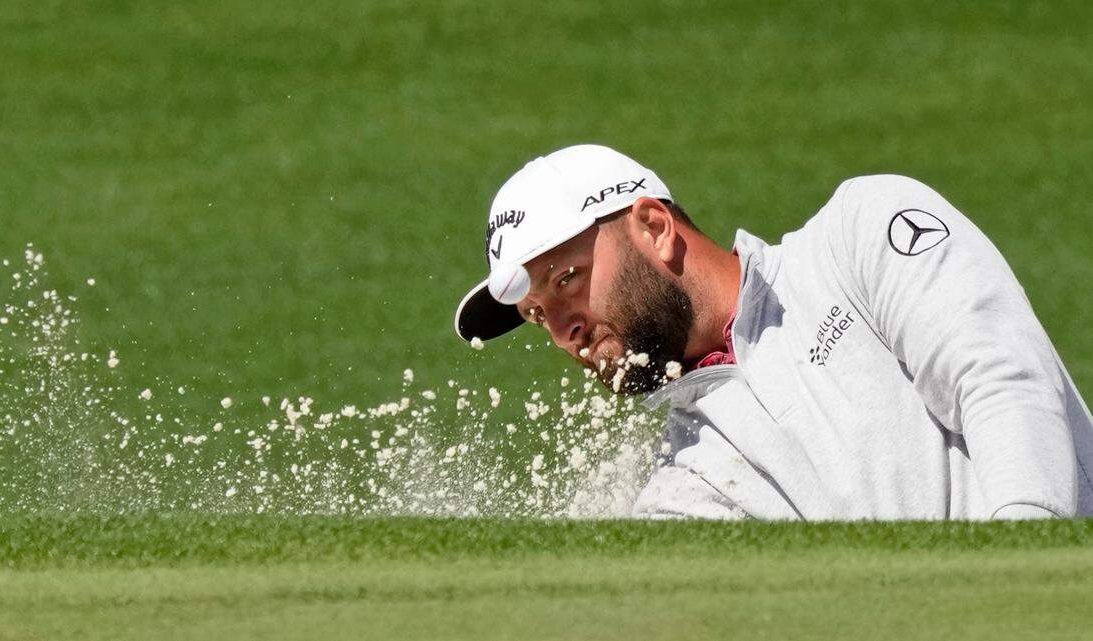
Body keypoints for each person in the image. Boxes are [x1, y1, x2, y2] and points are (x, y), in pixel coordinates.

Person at [454, 144, 1093, 520]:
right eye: (537, 314)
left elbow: (1004, 381)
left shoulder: (859, 234)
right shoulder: (685, 487)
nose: (564, 330)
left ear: (654, 227)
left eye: (567, 277)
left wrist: (1019, 578)